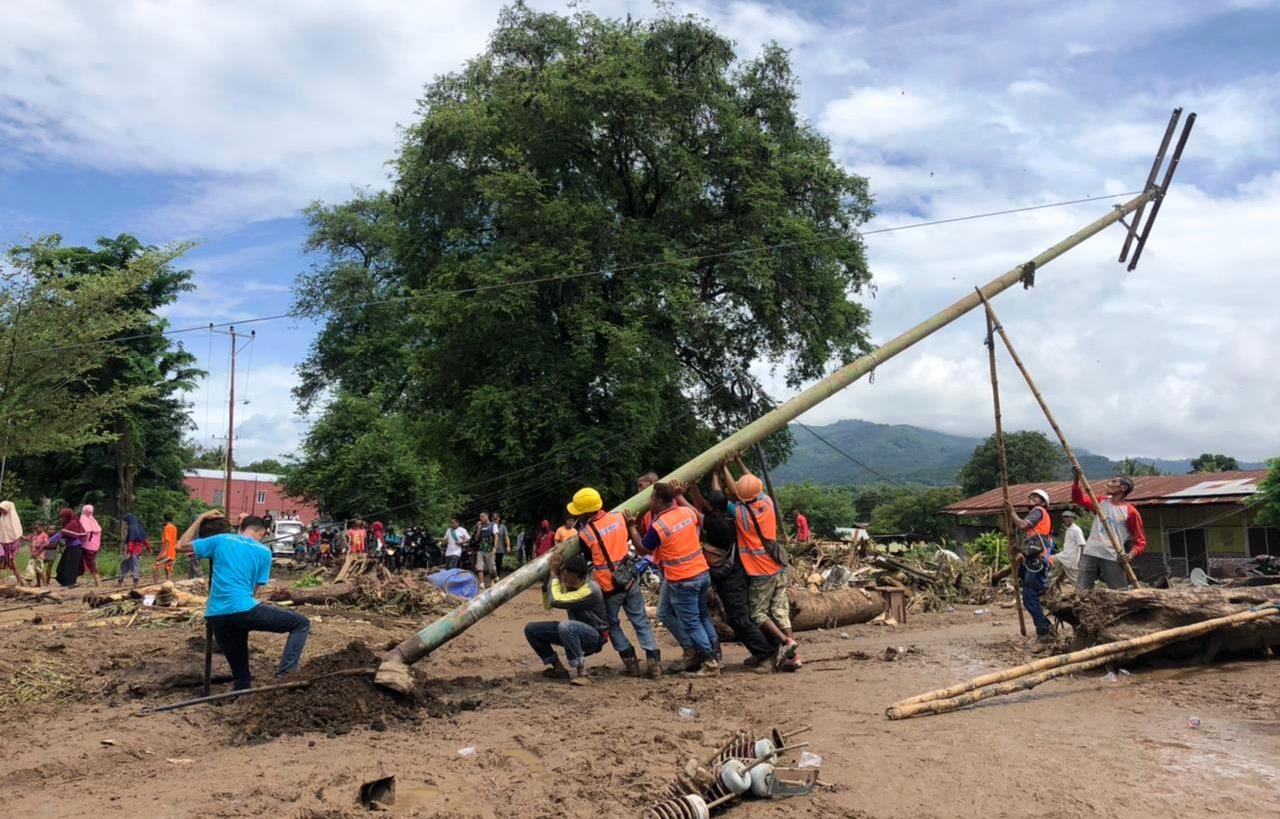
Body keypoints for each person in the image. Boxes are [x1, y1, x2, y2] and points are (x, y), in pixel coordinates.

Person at [179, 510, 310, 691]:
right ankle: (285, 675)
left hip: (216, 617)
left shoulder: (221, 540)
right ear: (262, 533)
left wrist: (200, 518)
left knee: (241, 677)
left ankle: (241, 694)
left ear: (240, 528)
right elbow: (253, 592)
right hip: (245, 609)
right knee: (300, 623)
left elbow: (181, 546)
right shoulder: (264, 552)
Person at [626, 481, 720, 676]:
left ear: (659, 501)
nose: (649, 500)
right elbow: (695, 515)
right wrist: (681, 495)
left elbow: (643, 549)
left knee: (692, 622)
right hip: (700, 572)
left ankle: (710, 662)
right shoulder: (687, 512)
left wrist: (631, 527)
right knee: (680, 614)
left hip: (682, 578)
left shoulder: (659, 525)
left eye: (651, 497)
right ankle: (706, 653)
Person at [568, 487, 663, 679]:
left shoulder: (585, 533)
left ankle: (631, 662)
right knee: (640, 621)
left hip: (609, 586)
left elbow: (587, 557)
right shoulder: (619, 517)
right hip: (629, 577)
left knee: (611, 624)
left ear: (584, 512)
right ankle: (654, 664)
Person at [722, 457, 799, 670]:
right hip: (779, 565)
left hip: (760, 570)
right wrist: (738, 461)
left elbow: (729, 493)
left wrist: (724, 468)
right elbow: (750, 484)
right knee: (780, 610)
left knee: (757, 613)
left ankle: (786, 643)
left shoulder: (740, 513)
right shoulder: (767, 503)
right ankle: (793, 658)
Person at [696, 478, 775, 670]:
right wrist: (707, 479)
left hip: (732, 579)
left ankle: (767, 655)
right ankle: (760, 651)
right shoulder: (729, 517)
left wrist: (679, 494)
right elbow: (703, 504)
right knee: (737, 617)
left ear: (712, 508)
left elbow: (693, 512)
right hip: (736, 575)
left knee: (738, 618)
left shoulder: (718, 525)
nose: (703, 506)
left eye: (707, 504)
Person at [523, 549, 609, 686]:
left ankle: (582, 674)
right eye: (566, 580)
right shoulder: (567, 584)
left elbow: (556, 601)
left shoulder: (591, 589)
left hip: (594, 636)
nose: (568, 585)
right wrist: (547, 585)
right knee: (531, 630)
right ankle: (558, 668)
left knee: (566, 626)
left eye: (572, 583)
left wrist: (553, 575)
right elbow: (548, 605)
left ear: (583, 578)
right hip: (572, 632)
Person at [1073, 475, 1146, 590]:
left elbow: (1140, 541)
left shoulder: (1131, 512)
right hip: (1090, 552)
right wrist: (1076, 480)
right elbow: (1078, 499)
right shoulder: (1101, 502)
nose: (1108, 484)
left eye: (1114, 482)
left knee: (1119, 592)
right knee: (1081, 591)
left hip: (1112, 556)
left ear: (1123, 487)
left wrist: (1130, 555)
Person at [1005, 488, 1054, 640]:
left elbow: (1022, 525)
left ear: (1043, 502)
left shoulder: (1039, 511)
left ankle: (1045, 630)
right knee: (1031, 596)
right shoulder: (1040, 518)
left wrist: (1011, 512)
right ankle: (1044, 629)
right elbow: (1030, 542)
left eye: (1036, 497)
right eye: (1030, 496)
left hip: (1037, 560)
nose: (1031, 498)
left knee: (1030, 597)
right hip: (1035, 559)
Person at [50, 507, 87, 587]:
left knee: (71, 566)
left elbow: (62, 534)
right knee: (62, 565)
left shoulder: (73, 523)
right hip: (70, 547)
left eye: (63, 517)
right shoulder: (68, 523)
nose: (61, 519)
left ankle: (70, 582)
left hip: (75, 547)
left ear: (67, 516)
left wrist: (49, 540)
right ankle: (64, 581)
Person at [1052, 509, 1086, 588]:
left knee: (1076, 581)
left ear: (1072, 518)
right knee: (1051, 565)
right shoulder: (1069, 529)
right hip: (1063, 557)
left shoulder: (1076, 530)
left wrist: (1081, 560)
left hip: (1072, 560)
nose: (1066, 519)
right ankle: (1052, 589)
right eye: (1064, 517)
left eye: (1068, 517)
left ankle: (1083, 595)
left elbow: (1083, 545)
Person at [117, 513, 149, 587]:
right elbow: (145, 540)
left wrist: (129, 552)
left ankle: (134, 581)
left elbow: (131, 542)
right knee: (126, 565)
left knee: (132, 566)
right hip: (137, 551)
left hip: (132, 551)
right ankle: (121, 580)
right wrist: (148, 548)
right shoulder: (139, 528)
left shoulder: (132, 529)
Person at [79, 504, 103, 586]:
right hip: (95, 546)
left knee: (91, 564)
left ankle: (98, 582)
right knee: (87, 562)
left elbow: (86, 533)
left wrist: (82, 542)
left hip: (88, 546)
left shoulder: (84, 519)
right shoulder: (94, 521)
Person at [0, 500, 23, 586]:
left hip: (13, 543)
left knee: (12, 562)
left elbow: (17, 533)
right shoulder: (2, 518)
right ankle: (17, 581)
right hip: (3, 544)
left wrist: (13, 544)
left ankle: (19, 581)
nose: (2, 511)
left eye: (3, 509)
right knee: (3, 563)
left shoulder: (14, 519)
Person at [473, 512, 498, 588]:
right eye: (480, 517)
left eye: (482, 516)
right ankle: (482, 584)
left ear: (487, 516)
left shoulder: (493, 525)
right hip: (481, 549)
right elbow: (476, 539)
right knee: (479, 567)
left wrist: (495, 547)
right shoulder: (480, 526)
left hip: (490, 549)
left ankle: (495, 578)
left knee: (491, 569)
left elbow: (496, 537)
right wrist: (478, 528)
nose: (481, 518)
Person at [23, 522, 51, 586]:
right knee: (30, 569)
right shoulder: (34, 535)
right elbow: (27, 538)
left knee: (39, 570)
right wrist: (20, 536)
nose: (35, 529)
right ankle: (36, 583)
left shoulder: (44, 535)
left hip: (40, 555)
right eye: (34, 528)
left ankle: (44, 583)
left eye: (37, 528)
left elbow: (47, 543)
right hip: (33, 555)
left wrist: (41, 545)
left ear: (42, 527)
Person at [154, 514, 178, 581]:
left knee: (156, 565)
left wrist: (164, 552)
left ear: (165, 520)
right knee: (168, 566)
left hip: (167, 552)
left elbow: (167, 540)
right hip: (173, 551)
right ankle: (168, 580)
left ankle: (155, 582)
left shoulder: (167, 527)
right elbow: (175, 540)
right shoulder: (174, 527)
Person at [492, 513, 510, 579]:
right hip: (491, 549)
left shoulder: (503, 527)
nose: (494, 520)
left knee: (498, 564)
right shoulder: (490, 526)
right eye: (493, 518)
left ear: (499, 519)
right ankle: (493, 577)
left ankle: (498, 577)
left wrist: (508, 546)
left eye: (496, 518)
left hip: (500, 549)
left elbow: (506, 536)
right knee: (491, 564)